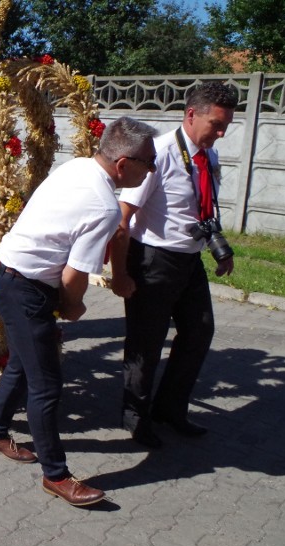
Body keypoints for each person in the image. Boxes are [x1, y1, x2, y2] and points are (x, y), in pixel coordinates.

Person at [0, 117, 158, 507]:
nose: (154, 169)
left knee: (23, 365)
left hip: (5, 273)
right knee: (46, 385)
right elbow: (74, 275)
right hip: (25, 287)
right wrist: (72, 306)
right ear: (124, 164)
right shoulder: (104, 206)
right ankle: (56, 475)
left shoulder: (78, 166)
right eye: (150, 162)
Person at [110, 83, 239, 449]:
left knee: (199, 332)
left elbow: (204, 205)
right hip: (152, 260)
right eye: (215, 124)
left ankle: (170, 409)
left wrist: (221, 248)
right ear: (191, 114)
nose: (221, 132)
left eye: (226, 125)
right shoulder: (159, 154)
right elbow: (124, 215)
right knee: (146, 343)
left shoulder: (209, 157)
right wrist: (120, 273)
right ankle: (136, 418)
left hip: (189, 258)